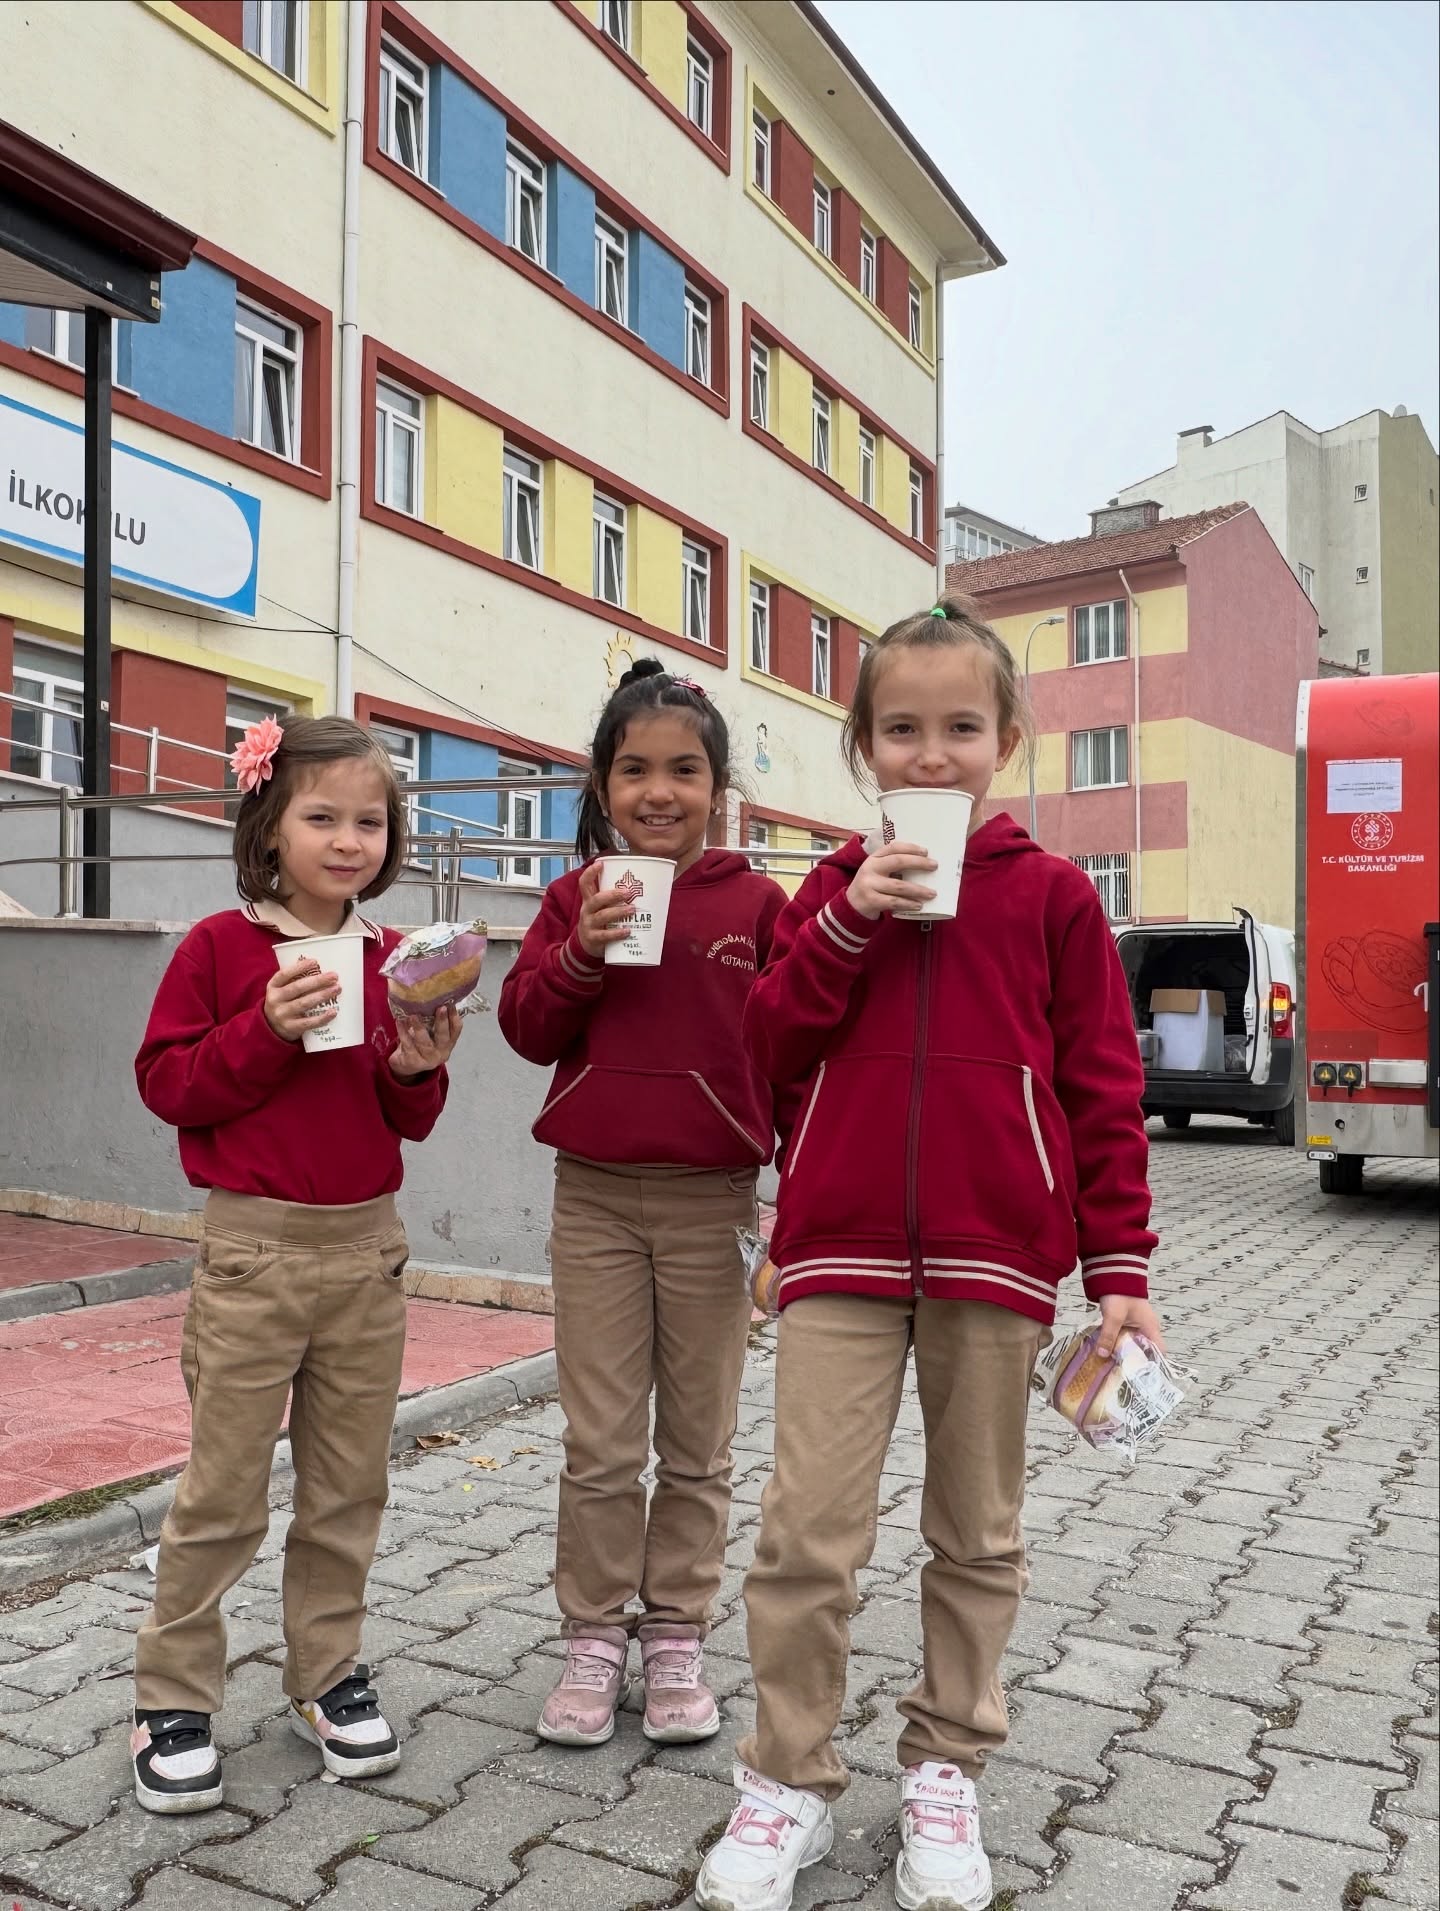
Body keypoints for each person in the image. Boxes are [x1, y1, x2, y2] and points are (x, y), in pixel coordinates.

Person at [696, 596, 1164, 1911]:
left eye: (962, 727)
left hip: (996, 1259)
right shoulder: (824, 891)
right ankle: (787, 1776)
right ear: (865, 747)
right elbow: (768, 1048)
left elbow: (1102, 1090)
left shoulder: (1056, 898)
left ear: (1006, 739)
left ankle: (947, 1764)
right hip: (837, 1255)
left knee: (976, 1532)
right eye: (901, 729)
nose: (932, 753)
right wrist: (850, 920)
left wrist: (1120, 1271)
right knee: (805, 1534)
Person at [130, 715, 462, 1814]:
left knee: (348, 1486)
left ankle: (326, 1675)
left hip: (367, 1253)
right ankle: (172, 1697)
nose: (349, 839)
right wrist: (265, 1028)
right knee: (224, 1489)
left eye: (371, 821)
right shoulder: (220, 950)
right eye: (322, 817)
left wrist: (416, 1065)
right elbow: (170, 1085)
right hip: (253, 1252)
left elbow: (405, 1118)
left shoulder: (393, 957)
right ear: (269, 825)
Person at [499, 661, 786, 1750]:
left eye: (683, 770)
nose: (658, 791)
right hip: (596, 1203)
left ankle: (674, 1633)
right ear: (603, 786)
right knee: (602, 1441)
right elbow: (525, 1028)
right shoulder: (571, 897)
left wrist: (794, 1203)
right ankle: (592, 1636)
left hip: (715, 1202)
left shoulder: (759, 906)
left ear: (718, 788)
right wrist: (581, 951)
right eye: (634, 771)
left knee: (700, 1441)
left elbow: (800, 1051)